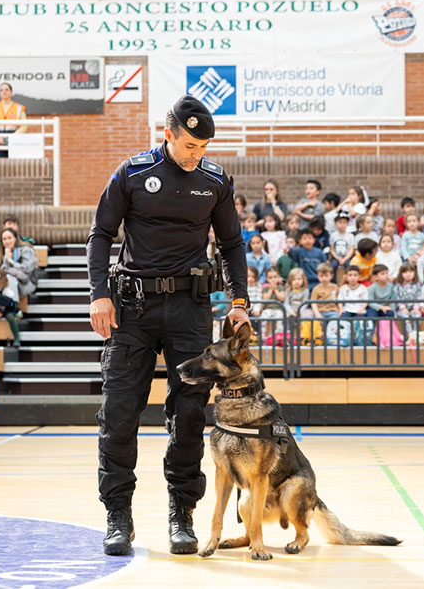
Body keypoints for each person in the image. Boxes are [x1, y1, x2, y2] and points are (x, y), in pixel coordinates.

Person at [86, 95, 249, 557]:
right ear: (168, 134)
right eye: (190, 144)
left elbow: (233, 243)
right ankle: (118, 515)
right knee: (118, 414)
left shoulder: (215, 181)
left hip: (189, 309)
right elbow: (100, 234)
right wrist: (99, 294)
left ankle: (182, 513)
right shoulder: (133, 173)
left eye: (204, 146)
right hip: (132, 310)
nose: (197, 153)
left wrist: (239, 300)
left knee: (190, 414)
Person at [0, 82, 27, 158]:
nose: (4, 91)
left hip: (14, 141)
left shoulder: (19, 108)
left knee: (13, 167)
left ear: (11, 93)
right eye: (1, 90)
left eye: (7, 89)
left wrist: (12, 138)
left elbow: (24, 127)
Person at [0, 228, 38, 298]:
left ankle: (14, 307)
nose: (7, 241)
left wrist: (11, 261)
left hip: (27, 283)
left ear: (15, 238)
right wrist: (6, 260)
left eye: (9, 238)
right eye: (4, 239)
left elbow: (27, 270)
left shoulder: (26, 250)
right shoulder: (4, 253)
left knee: (10, 279)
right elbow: (4, 270)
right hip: (10, 282)